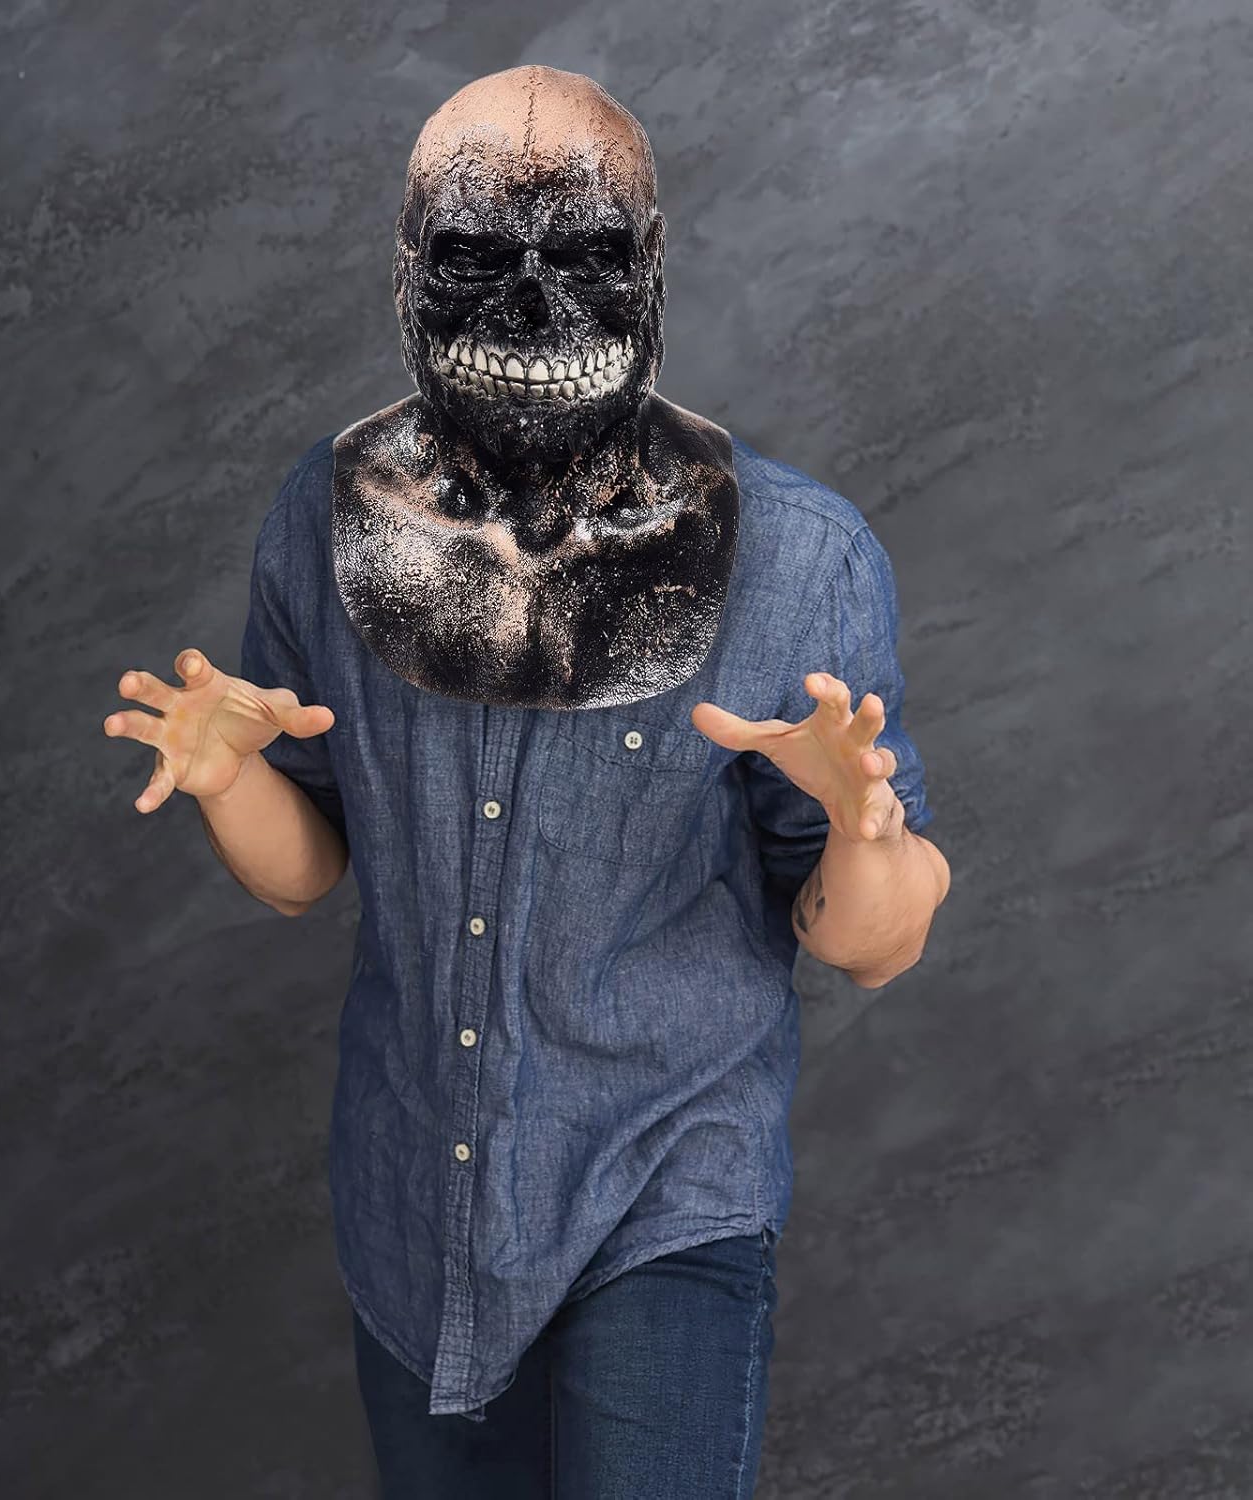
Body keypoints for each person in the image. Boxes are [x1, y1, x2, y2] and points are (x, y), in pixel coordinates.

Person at [103, 65, 951, 1500]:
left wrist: (864, 832)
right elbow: (308, 872)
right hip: (415, 1204)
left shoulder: (799, 560)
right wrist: (231, 780)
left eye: (591, 256)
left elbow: (874, 944)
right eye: (476, 259)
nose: (536, 308)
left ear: (654, 265)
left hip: (667, 1189)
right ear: (405, 266)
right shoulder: (317, 522)